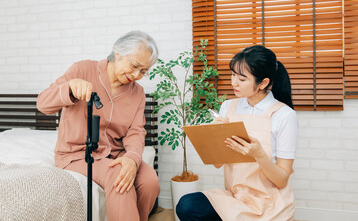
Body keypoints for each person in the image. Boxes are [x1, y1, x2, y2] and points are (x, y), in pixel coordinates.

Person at [37, 30, 160, 221]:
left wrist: (132, 158)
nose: (137, 75)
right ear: (118, 53)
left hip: (116, 154)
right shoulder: (83, 69)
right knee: (119, 176)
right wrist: (69, 87)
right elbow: (43, 104)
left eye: (143, 71)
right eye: (134, 65)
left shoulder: (138, 93)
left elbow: (136, 131)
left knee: (149, 180)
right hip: (78, 154)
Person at [176, 45, 298, 220]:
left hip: (269, 203)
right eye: (233, 75)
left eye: (242, 79)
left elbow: (282, 180)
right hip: (235, 198)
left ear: (263, 83)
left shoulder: (284, 115)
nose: (234, 83)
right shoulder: (228, 106)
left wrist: (259, 155)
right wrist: (214, 135)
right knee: (187, 205)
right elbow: (218, 164)